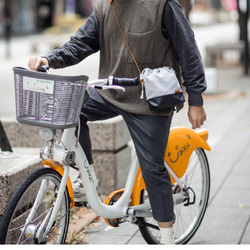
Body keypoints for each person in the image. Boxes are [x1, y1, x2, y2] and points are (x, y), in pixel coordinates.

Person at [28, 0, 207, 244]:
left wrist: (195, 99)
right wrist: (49, 59)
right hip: (111, 93)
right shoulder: (104, 7)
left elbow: (188, 50)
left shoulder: (162, 5)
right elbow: (80, 44)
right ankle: (85, 179)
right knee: (72, 110)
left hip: (150, 100)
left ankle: (166, 238)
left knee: (153, 169)